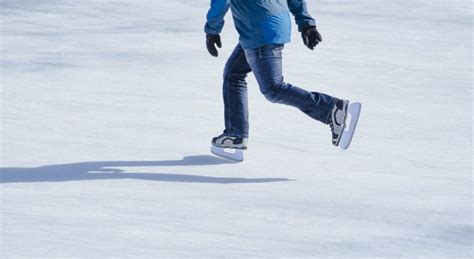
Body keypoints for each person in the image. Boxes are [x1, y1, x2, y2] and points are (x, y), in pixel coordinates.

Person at [205, 0, 352, 151]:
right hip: (272, 23)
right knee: (233, 73)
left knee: (273, 89)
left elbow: (221, 2)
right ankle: (235, 134)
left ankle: (331, 109)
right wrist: (306, 24)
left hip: (259, 29)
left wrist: (212, 31)